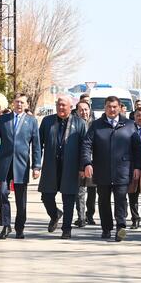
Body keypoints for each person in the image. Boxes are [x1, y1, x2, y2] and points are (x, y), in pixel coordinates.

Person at [81, 96, 140, 241]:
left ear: (119, 108)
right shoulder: (96, 125)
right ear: (105, 108)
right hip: (102, 170)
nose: (112, 109)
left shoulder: (129, 124)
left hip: (123, 170)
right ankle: (106, 228)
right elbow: (86, 145)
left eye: (114, 107)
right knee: (103, 201)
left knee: (121, 200)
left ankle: (121, 227)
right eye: (109, 106)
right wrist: (87, 163)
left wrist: (137, 167)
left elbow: (137, 148)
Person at [0, 92, 42, 239]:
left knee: (21, 198)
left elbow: (36, 145)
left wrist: (36, 166)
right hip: (4, 163)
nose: (19, 104)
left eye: (22, 102)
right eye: (17, 101)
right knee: (2, 193)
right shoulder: (3, 119)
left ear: (27, 104)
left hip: (21, 164)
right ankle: (6, 225)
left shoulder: (32, 121)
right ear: (13, 103)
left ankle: (20, 227)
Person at [38, 95, 86, 239]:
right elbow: (38, 144)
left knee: (68, 199)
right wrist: (36, 164)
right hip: (51, 165)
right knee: (46, 196)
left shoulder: (79, 123)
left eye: (63, 105)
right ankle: (55, 214)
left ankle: (66, 229)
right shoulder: (47, 121)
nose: (60, 107)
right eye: (58, 105)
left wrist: (83, 166)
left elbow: (85, 147)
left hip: (70, 167)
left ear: (71, 107)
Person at [74, 101, 96, 227]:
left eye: (86, 109)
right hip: (78, 162)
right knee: (80, 191)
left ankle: (90, 215)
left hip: (92, 162)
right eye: (81, 110)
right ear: (77, 112)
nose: (84, 112)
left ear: (90, 110)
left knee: (92, 190)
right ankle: (81, 217)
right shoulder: (74, 125)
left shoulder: (95, 124)